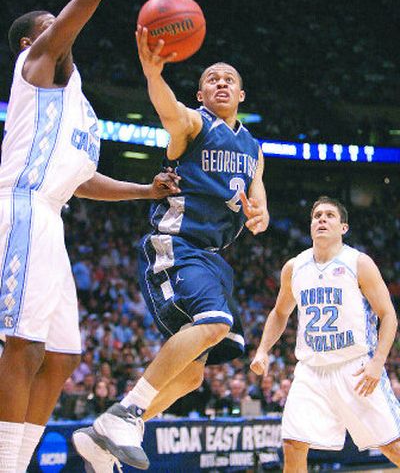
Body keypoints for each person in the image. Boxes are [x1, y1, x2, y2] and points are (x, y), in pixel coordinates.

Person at [0, 0, 180, 472]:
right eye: (49, 26)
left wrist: (144, 190)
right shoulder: (34, 68)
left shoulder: (78, 104)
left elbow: (82, 181)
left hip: (52, 214)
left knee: (62, 356)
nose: (61, 30)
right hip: (22, 206)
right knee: (25, 345)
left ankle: (15, 461)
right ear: (30, 41)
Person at [73, 26, 269, 469]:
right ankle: (125, 413)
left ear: (241, 93)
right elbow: (166, 107)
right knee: (215, 322)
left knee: (193, 374)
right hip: (177, 245)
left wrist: (259, 217)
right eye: (212, 78)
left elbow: (261, 207)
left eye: (228, 79)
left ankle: (107, 433)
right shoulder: (194, 124)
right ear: (201, 93)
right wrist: (152, 72)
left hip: (215, 259)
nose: (221, 82)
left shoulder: (254, 149)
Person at [251, 196, 400, 472]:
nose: (321, 219)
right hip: (311, 370)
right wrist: (262, 350)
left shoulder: (359, 263)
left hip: (355, 368)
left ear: (343, 227)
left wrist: (378, 362)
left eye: (329, 215)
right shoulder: (294, 267)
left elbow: (389, 315)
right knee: (293, 444)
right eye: (316, 215)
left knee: (393, 446)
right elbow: (280, 313)